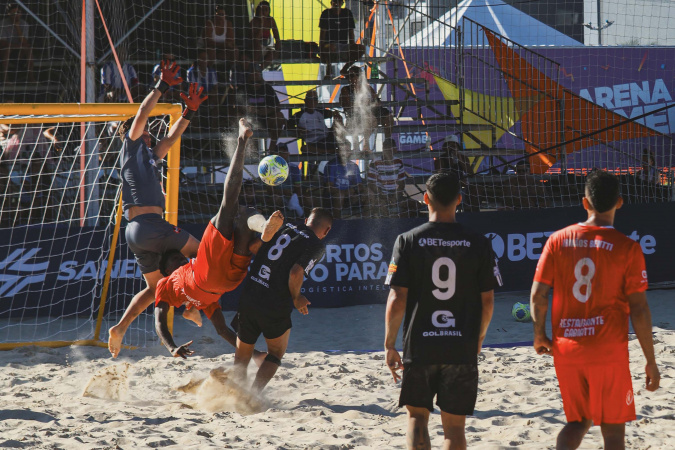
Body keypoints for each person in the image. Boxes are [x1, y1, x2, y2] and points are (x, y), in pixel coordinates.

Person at [531, 170, 660, 450]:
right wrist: (650, 360)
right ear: (620, 202)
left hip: (567, 348)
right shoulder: (627, 247)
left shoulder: (558, 239)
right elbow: (639, 309)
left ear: (584, 203)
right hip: (607, 350)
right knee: (613, 433)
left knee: (577, 422)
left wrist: (539, 334)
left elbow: (538, 295)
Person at [384, 172, 501, 450]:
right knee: (455, 428)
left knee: (416, 417)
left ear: (425, 199)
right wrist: (479, 338)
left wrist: (389, 344)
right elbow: (488, 302)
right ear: (459, 200)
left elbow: (397, 297)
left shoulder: (407, 240)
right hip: (461, 344)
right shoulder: (479, 242)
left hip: (420, 343)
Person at [154, 119, 284, 359]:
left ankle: (263, 228)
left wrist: (255, 354)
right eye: (176, 260)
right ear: (168, 271)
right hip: (207, 275)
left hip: (227, 283)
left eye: (180, 258)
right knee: (228, 205)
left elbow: (223, 330)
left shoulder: (202, 302)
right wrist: (171, 346)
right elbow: (159, 321)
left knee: (243, 215)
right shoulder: (167, 284)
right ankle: (242, 141)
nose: (181, 259)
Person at [107, 61, 207, 358]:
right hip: (150, 225)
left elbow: (172, 138)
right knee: (203, 253)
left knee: (155, 290)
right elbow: (141, 113)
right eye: (146, 133)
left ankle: (120, 328)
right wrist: (161, 86)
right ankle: (190, 306)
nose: (149, 135)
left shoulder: (149, 157)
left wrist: (189, 112)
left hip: (136, 232)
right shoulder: (131, 146)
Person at [232, 207, 333, 393]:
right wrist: (297, 297)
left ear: (306, 221)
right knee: (276, 353)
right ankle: (252, 396)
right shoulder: (316, 246)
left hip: (250, 294)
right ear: (326, 231)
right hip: (274, 304)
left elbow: (254, 247)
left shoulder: (285, 227)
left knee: (241, 357)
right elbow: (295, 273)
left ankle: (235, 395)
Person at [339, 66, 393, 152]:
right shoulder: (346, 89)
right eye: (349, 76)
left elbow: (377, 102)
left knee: (388, 116)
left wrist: (371, 104)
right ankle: (365, 144)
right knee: (369, 117)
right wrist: (363, 105)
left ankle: (388, 141)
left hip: (370, 112)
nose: (351, 78)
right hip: (355, 114)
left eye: (353, 76)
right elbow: (347, 106)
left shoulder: (368, 88)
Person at [367, 138, 421, 218]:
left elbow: (401, 184)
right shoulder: (375, 162)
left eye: (390, 149)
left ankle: (400, 221)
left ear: (394, 150)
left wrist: (395, 197)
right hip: (380, 196)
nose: (388, 151)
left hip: (396, 196)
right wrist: (384, 197)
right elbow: (371, 184)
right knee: (381, 208)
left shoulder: (398, 162)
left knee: (416, 205)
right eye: (386, 149)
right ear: (383, 149)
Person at [240, 65, 286, 154]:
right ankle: (250, 151)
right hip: (249, 120)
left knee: (279, 117)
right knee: (242, 119)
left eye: (257, 79)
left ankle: (271, 148)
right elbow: (236, 107)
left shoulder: (267, 88)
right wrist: (248, 109)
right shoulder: (243, 89)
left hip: (266, 119)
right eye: (253, 80)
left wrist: (267, 111)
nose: (255, 82)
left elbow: (277, 106)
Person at [318, 0, 364, 80]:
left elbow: (351, 33)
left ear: (342, 3)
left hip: (343, 46)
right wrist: (321, 50)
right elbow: (322, 35)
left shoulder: (347, 13)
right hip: (329, 46)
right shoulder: (326, 13)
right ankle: (328, 72)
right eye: (334, 2)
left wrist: (353, 48)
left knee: (361, 48)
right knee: (331, 47)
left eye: (338, 2)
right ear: (331, 3)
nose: (336, 4)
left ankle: (345, 69)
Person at [291, 89, 340, 156]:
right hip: (313, 142)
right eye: (310, 99)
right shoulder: (299, 115)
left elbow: (333, 114)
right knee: (304, 148)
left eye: (315, 99)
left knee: (345, 142)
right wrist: (298, 129)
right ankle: (329, 151)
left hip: (327, 139)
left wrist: (336, 115)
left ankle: (329, 151)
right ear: (306, 101)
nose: (313, 102)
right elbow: (288, 125)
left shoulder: (321, 112)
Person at [323, 152, 367, 219]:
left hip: (349, 197)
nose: (344, 153)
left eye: (347, 150)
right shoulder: (332, 165)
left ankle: (366, 221)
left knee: (368, 194)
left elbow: (360, 186)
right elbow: (329, 188)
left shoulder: (354, 166)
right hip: (333, 198)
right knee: (340, 196)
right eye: (342, 150)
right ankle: (337, 221)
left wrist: (355, 190)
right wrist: (345, 192)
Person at [0, 3, 34, 83]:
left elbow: (25, 42)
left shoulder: (24, 24)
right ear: (9, 14)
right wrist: (18, 46)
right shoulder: (2, 24)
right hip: (5, 50)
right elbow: (2, 43)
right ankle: (6, 79)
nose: (16, 15)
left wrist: (17, 27)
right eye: (13, 13)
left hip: (19, 51)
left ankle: (31, 78)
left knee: (28, 49)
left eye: (18, 12)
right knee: (7, 49)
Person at [249, 1, 280, 68]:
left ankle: (260, 69)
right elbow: (255, 40)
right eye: (262, 10)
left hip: (265, 47)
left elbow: (277, 37)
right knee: (257, 48)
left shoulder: (270, 20)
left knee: (272, 53)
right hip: (254, 48)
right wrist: (261, 24)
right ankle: (253, 67)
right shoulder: (253, 22)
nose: (264, 12)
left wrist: (277, 50)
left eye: (266, 10)